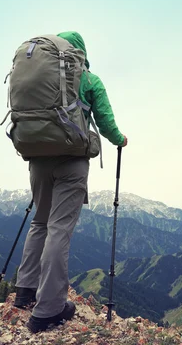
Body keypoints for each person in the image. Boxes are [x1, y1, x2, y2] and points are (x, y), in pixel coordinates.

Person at [12, 31, 127, 333]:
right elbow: (105, 122)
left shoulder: (41, 74)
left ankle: (24, 290)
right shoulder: (89, 80)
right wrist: (120, 140)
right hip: (72, 161)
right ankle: (48, 309)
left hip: (37, 158)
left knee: (40, 222)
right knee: (59, 228)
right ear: (81, 54)